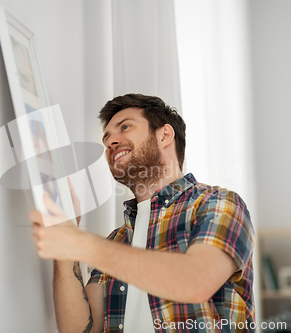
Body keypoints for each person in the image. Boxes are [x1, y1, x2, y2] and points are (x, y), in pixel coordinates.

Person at [30, 94, 256, 333]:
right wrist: (66, 239)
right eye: (106, 139)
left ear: (165, 135)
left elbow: (196, 282)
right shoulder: (117, 241)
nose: (110, 143)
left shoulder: (218, 203)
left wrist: (82, 244)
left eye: (125, 127)